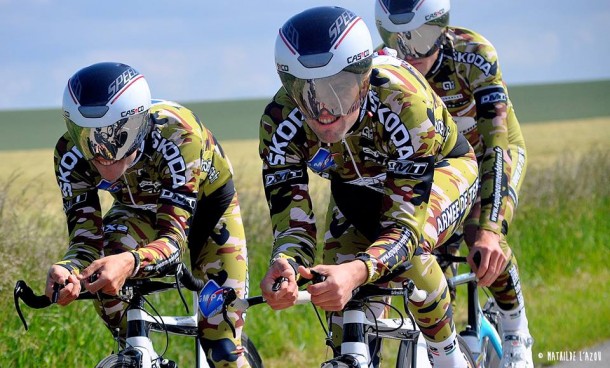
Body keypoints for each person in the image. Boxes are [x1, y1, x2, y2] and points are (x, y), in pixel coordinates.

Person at [258, 6, 479, 368]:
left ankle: (447, 354)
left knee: (413, 252)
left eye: (338, 88)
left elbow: (404, 227)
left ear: (363, 77)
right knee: (337, 299)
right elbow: (292, 224)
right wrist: (286, 263)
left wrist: (357, 270)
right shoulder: (279, 121)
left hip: (441, 170)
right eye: (306, 92)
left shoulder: (403, 101)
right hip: (354, 190)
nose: (324, 111)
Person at [45, 62, 251, 368]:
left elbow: (173, 241)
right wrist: (68, 269)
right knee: (103, 276)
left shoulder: (178, 133)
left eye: (117, 135)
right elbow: (85, 241)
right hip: (135, 210)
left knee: (222, 343)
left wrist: (129, 262)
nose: (102, 151)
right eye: (88, 136)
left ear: (139, 123)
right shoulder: (69, 155)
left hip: (206, 212)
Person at [375, 0, 534, 366]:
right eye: (398, 40)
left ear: (443, 27)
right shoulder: (381, 68)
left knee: (481, 239)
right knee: (422, 249)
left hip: (492, 150)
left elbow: (496, 147)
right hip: (438, 164)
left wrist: (491, 230)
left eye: (423, 38)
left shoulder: (473, 54)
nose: (410, 53)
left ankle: (515, 327)